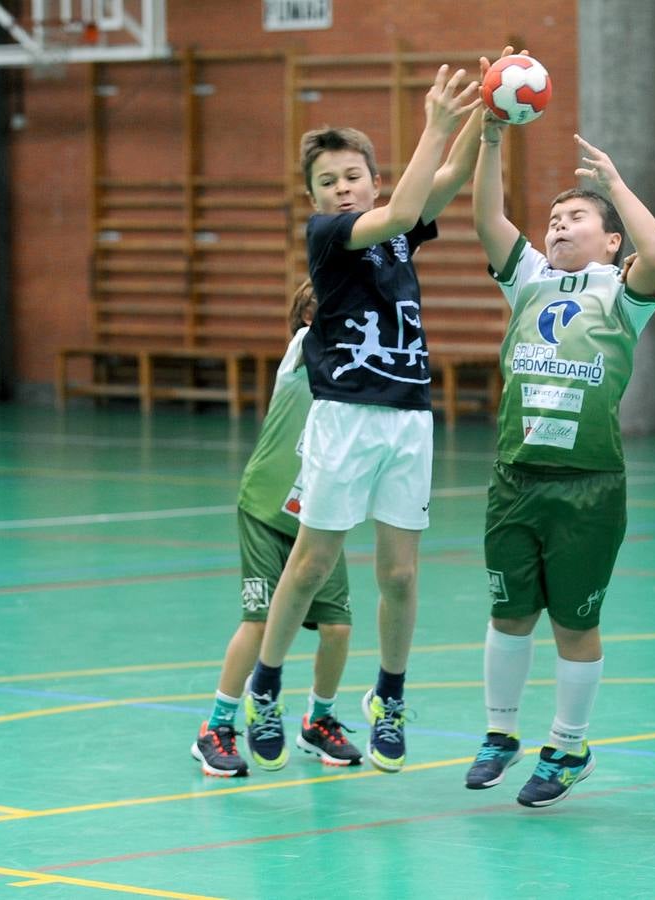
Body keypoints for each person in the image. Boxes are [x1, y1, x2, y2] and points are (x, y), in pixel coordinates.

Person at [243, 61, 484, 773]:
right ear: (316, 196)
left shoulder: (399, 233)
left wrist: (487, 115)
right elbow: (407, 207)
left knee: (402, 576)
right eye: (328, 180)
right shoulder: (331, 235)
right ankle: (266, 685)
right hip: (346, 416)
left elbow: (446, 182)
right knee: (313, 560)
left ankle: (390, 696)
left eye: (352, 175)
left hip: (407, 417)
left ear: (372, 178)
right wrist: (435, 124)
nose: (341, 186)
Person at [462, 90, 655, 807]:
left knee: (575, 623)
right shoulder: (529, 281)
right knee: (508, 614)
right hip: (516, 476)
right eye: (553, 218)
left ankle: (568, 746)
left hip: (588, 484)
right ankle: (499, 733)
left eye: (576, 217)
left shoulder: (621, 292)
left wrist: (612, 185)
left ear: (611, 241)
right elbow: (487, 218)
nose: (559, 224)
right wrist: (492, 139)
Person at [192, 280, 361, 776]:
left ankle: (319, 721)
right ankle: (216, 728)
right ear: (309, 316)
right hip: (267, 509)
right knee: (261, 621)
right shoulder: (302, 350)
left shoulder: (358, 374)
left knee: (337, 627)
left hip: (320, 516)